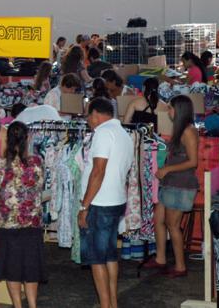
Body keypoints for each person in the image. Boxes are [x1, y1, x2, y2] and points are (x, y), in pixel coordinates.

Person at [0, 121, 46, 308]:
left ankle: (18, 306)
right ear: (27, 138)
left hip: (8, 225)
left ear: (8, 139)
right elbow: (39, 186)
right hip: (32, 224)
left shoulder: (1, 165)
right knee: (31, 268)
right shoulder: (37, 162)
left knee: (13, 270)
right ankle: (33, 305)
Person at [79, 97, 134, 308]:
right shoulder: (123, 134)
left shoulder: (103, 133)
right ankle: (112, 302)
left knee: (97, 258)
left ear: (95, 114)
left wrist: (84, 206)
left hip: (100, 202)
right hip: (117, 200)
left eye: (88, 117)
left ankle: (105, 304)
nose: (88, 122)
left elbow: (98, 171)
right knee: (110, 254)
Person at [143, 95, 199, 277]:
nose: (168, 111)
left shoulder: (188, 132)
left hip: (181, 184)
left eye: (170, 108)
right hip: (171, 183)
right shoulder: (180, 130)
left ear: (179, 110)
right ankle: (160, 258)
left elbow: (193, 162)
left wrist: (168, 169)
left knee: (172, 225)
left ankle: (180, 266)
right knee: (159, 220)